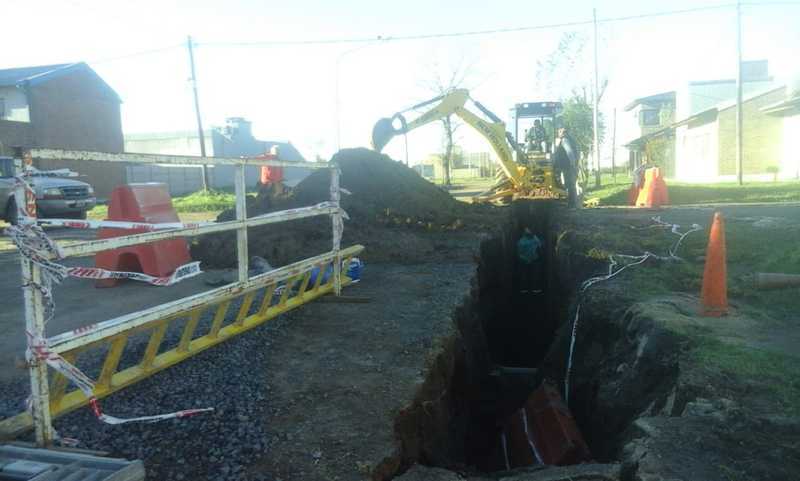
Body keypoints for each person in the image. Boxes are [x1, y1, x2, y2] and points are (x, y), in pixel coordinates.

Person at [553, 127, 579, 208]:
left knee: (569, 184)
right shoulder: (569, 140)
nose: (559, 133)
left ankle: (572, 204)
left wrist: (573, 164)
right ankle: (570, 203)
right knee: (568, 183)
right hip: (565, 165)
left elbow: (569, 152)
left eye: (560, 132)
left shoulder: (565, 140)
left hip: (567, 165)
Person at [516, 228, 543, 293]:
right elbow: (519, 253)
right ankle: (524, 288)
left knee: (534, 275)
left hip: (534, 259)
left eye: (530, 230)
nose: (529, 231)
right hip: (525, 261)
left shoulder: (534, 239)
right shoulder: (521, 241)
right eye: (527, 230)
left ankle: (534, 288)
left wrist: (537, 239)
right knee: (525, 275)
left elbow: (540, 246)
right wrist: (526, 259)